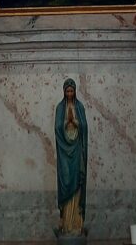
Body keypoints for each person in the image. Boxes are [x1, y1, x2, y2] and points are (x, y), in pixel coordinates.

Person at [55, 78, 87, 237]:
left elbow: (84, 126)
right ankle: (66, 224)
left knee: (77, 181)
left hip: (77, 149)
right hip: (64, 151)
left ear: (75, 92)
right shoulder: (60, 108)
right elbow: (57, 127)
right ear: (64, 92)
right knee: (66, 181)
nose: (69, 93)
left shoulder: (79, 107)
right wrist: (65, 123)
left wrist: (74, 121)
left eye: (71, 91)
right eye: (67, 91)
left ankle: (76, 222)